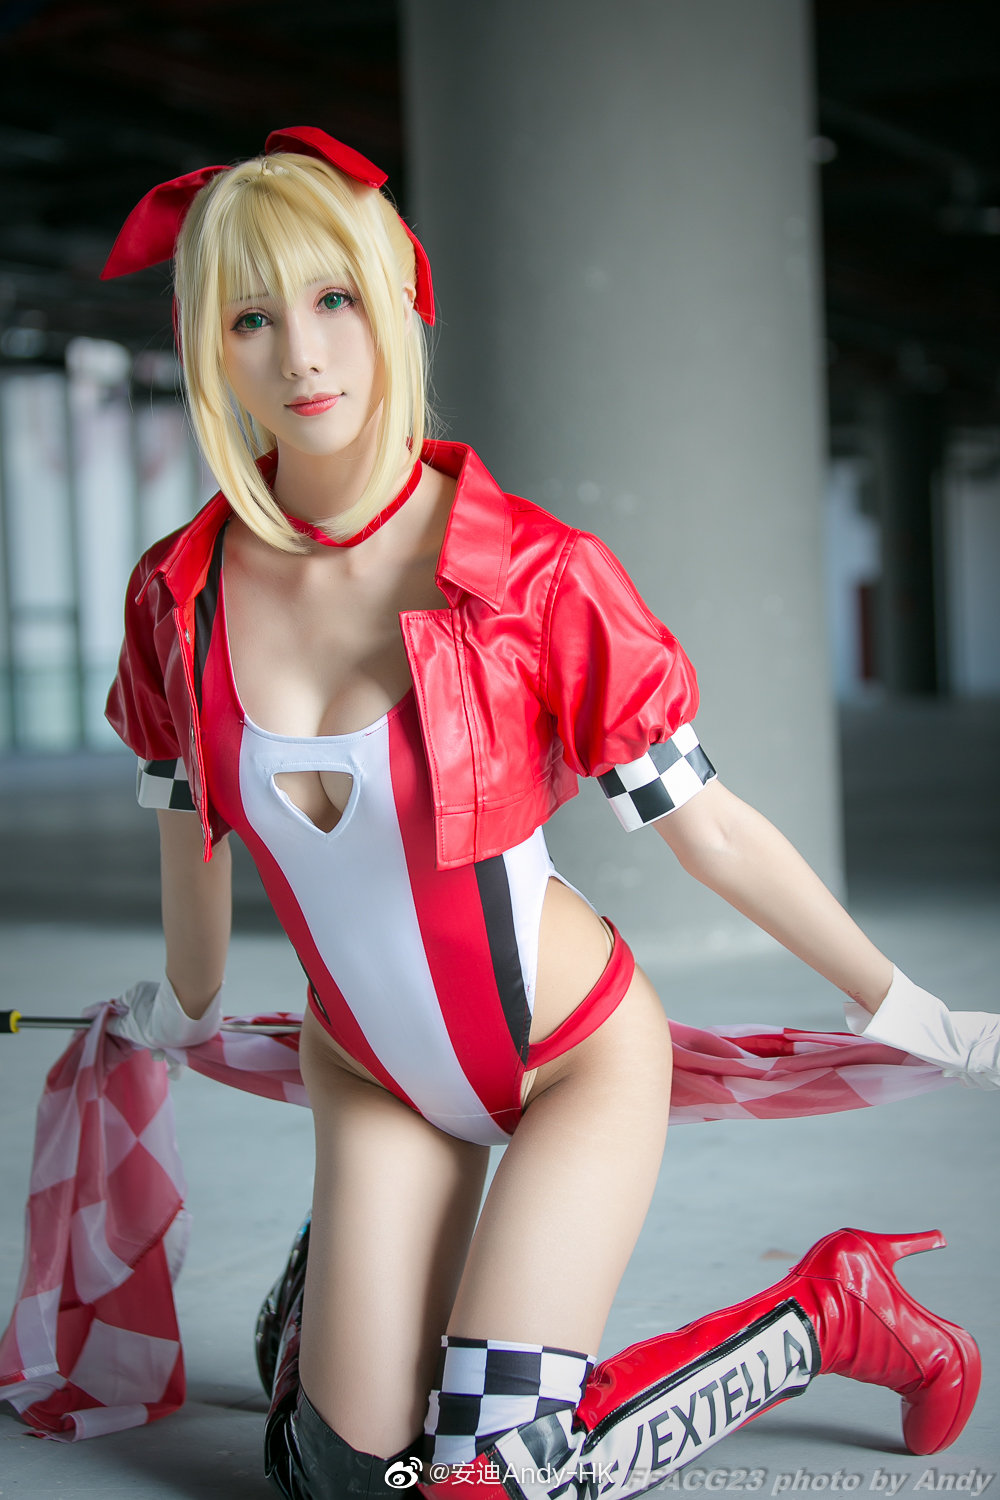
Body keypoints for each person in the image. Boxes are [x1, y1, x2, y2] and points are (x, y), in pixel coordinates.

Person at [100, 129, 996, 1500]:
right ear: (209, 347)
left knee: (492, 1482)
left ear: (397, 301)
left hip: (568, 1056)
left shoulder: (535, 575)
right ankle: (331, 1302)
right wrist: (178, 1009)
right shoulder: (177, 597)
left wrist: (903, 1005)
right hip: (370, 1071)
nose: (303, 356)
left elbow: (709, 829)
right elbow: (196, 853)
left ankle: (831, 1314)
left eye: (335, 299)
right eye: (252, 318)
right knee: (341, 1479)